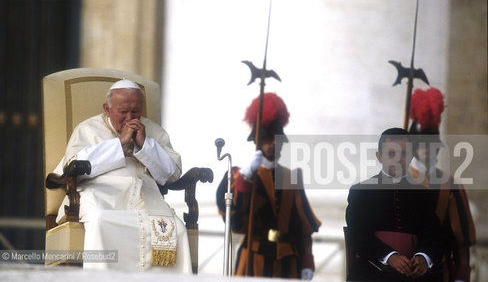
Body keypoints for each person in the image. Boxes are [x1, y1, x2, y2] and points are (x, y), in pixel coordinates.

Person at [53, 79, 192, 272]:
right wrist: (120, 143)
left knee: (176, 228)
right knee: (100, 219)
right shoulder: (87, 129)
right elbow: (75, 166)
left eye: (135, 112)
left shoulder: (154, 131)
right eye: (122, 112)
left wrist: (145, 146)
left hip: (146, 197)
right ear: (107, 109)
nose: (129, 118)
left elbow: (171, 175)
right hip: (101, 196)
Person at [216, 93, 321, 279]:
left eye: (277, 138)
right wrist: (245, 179)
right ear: (257, 140)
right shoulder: (238, 175)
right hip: (254, 259)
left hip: (289, 261)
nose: (273, 142)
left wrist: (307, 262)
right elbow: (235, 221)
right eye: (267, 138)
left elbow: (303, 228)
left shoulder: (292, 176)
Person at [345, 127, 442, 282]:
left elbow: (433, 235)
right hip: (371, 270)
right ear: (379, 156)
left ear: (411, 156)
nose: (398, 159)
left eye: (403, 153)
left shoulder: (424, 194)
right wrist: (390, 257)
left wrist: (423, 257)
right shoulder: (361, 191)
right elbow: (358, 236)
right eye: (391, 153)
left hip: (414, 275)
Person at [408, 87, 476, 282]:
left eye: (431, 144)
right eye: (422, 145)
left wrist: (462, 276)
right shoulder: (398, 181)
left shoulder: (450, 185)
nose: (427, 150)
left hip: (440, 273)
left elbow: (461, 241)